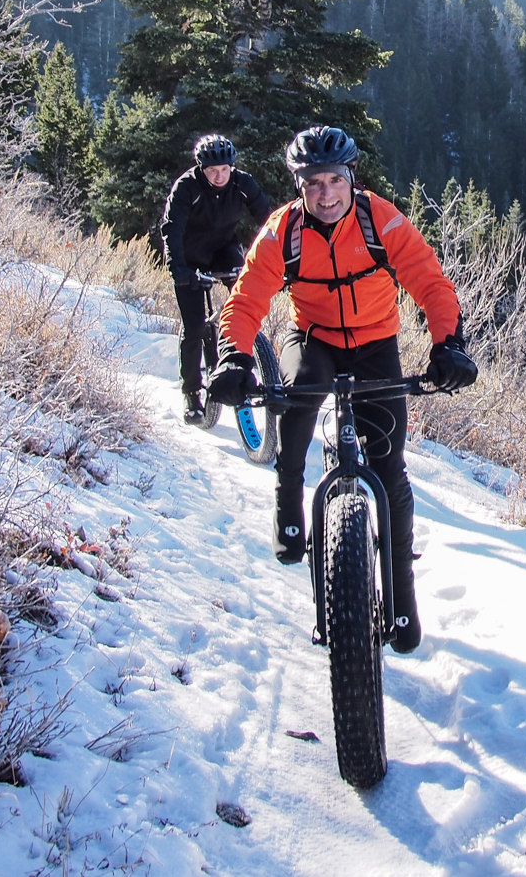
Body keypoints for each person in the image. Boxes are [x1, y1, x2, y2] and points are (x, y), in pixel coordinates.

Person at [208, 125, 476, 654]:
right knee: (300, 397)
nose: (325, 193)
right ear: (300, 186)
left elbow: (429, 281)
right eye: (313, 183)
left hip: (376, 342)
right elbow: (247, 299)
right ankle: (289, 504)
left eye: (334, 180)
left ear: (351, 178)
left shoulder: (380, 220)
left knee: (388, 464)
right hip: (312, 337)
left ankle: (401, 595)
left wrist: (448, 344)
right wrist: (233, 357)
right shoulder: (283, 231)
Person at [155, 133, 271, 425]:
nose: (219, 176)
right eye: (212, 170)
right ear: (201, 169)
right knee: (194, 327)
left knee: (244, 302)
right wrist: (178, 269)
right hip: (189, 257)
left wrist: (278, 258)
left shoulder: (242, 183)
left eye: (224, 169)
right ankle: (192, 392)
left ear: (232, 166)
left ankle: (241, 357)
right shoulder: (187, 187)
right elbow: (172, 229)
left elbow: (269, 220)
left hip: (223, 250)